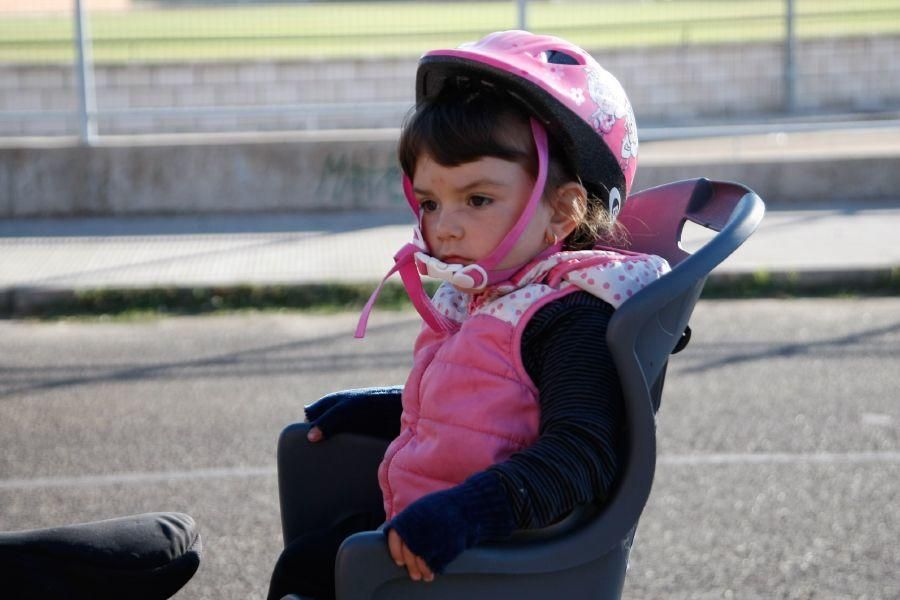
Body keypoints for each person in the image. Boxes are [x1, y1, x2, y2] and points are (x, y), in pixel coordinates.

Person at [267, 30, 669, 600]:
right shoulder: (499, 292)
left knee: (326, 568)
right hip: (433, 524)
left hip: (491, 553)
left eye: (477, 199)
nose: (445, 226)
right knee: (308, 564)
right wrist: (386, 409)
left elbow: (581, 454)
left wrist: (464, 514)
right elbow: (488, 408)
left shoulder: (570, 315)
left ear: (563, 209)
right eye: (430, 202)